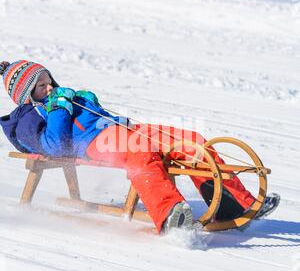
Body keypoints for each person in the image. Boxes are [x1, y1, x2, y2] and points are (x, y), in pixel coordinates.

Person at [0, 60, 279, 234]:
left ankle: (235, 205)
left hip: (121, 128)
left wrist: (87, 101)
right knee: (141, 154)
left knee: (192, 141)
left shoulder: (57, 99)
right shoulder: (26, 118)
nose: (49, 89)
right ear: (25, 97)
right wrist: (60, 107)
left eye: (49, 82)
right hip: (94, 143)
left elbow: (90, 117)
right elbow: (54, 145)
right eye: (40, 87)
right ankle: (169, 213)